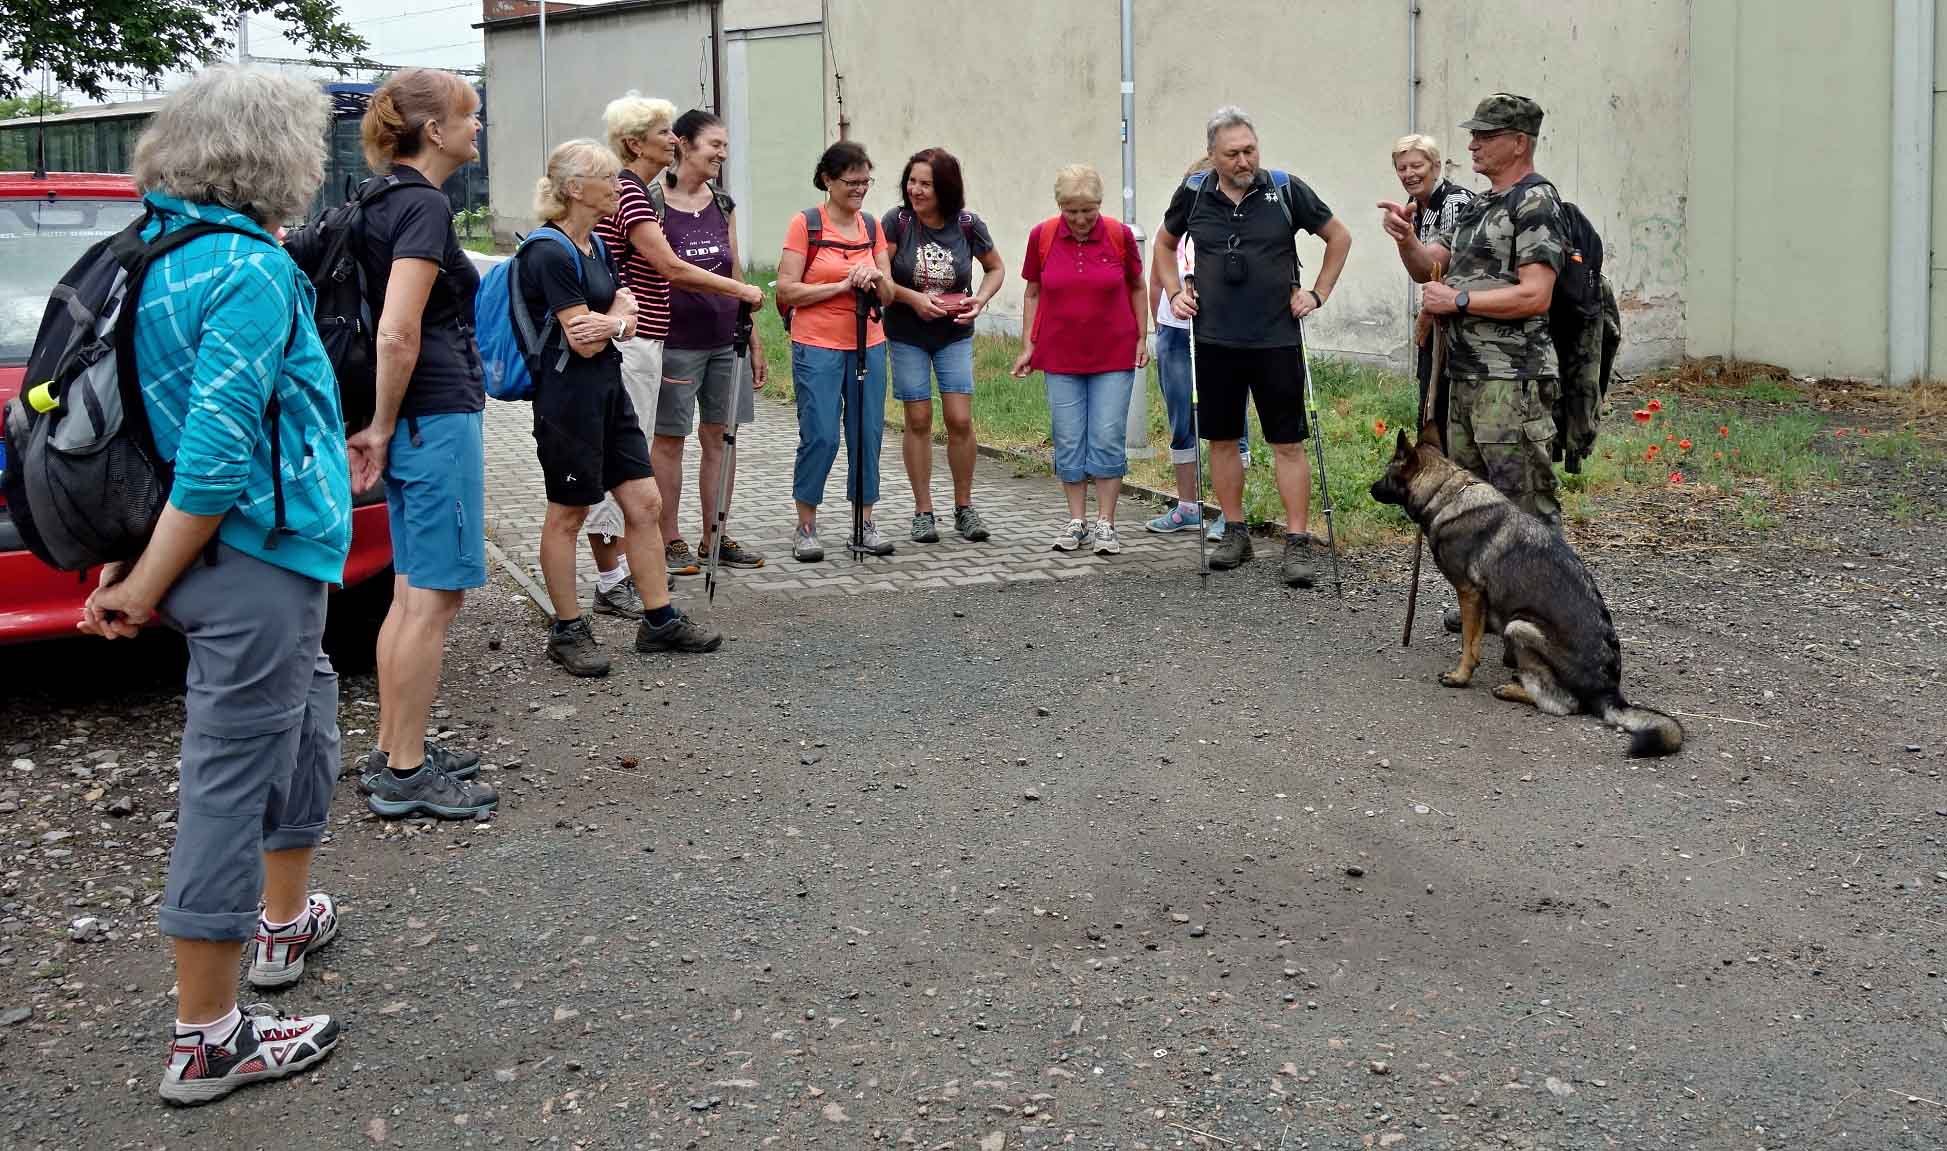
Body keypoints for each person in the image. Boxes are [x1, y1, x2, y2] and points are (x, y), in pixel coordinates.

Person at [80, 66, 346, 1104]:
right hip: (251, 559)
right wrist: (141, 581)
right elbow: (214, 454)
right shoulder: (246, 266)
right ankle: (207, 1036)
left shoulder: (148, 250)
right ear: (276, 154)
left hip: (244, 555)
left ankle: (282, 922)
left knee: (306, 716)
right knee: (230, 774)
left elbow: (137, 416)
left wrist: (129, 556)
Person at [335, 69, 499, 819]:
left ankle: (394, 745)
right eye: (470, 115)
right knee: (434, 597)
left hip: (411, 419)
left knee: (409, 593)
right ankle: (404, 771)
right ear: (434, 130)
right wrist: (380, 422)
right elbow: (397, 331)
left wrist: (382, 422)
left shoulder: (377, 197)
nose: (477, 127)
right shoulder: (425, 205)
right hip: (432, 416)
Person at [525, 139, 721, 674]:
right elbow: (585, 338)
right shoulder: (548, 251)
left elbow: (625, 316)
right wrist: (615, 318)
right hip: (568, 400)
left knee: (645, 503)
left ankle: (659, 621)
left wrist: (612, 319)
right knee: (568, 512)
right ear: (574, 189)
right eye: (608, 179)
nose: (619, 186)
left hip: (609, 392)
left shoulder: (596, 246)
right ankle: (568, 630)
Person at [1155, 105, 1352, 587]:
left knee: (1287, 443)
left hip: (1276, 339)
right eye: (1233, 154)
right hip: (1214, 339)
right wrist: (1175, 293)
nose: (1244, 161)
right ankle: (1235, 532)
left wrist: (1317, 293)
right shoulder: (1194, 194)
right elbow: (1163, 244)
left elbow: (1339, 237)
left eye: (1250, 150)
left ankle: (1297, 542)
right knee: (1222, 440)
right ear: (1212, 155)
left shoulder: (1285, 190)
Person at [1380, 94, 1564, 529]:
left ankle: (1538, 578)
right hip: (1463, 379)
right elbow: (1429, 267)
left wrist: (1458, 300)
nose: (1472, 144)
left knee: (1525, 513)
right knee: (1472, 508)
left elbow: (1536, 295)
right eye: (1473, 135)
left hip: (1511, 382)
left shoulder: (1535, 202)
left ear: (1519, 143)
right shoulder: (1478, 206)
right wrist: (1406, 239)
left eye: (1485, 135)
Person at [1009, 163, 1147, 555]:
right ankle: (1076, 521)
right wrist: (1028, 345)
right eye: (1071, 211)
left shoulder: (1119, 236)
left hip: (1113, 353)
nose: (1081, 219)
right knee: (1068, 438)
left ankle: (1106, 522)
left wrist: (1142, 337)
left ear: (1100, 204)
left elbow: (1137, 286)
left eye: (1088, 210)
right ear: (1060, 206)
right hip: (1060, 355)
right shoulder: (1043, 236)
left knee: (1106, 436)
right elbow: (1033, 292)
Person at [654, 108, 769, 573]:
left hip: (726, 339)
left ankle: (715, 537)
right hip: (675, 342)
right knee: (670, 441)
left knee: (721, 437)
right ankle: (669, 539)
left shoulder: (723, 204)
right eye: (714, 145)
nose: (722, 154)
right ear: (683, 144)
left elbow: (734, 271)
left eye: (725, 146)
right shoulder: (653, 201)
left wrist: (753, 336)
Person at [776, 140, 896, 562]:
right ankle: (806, 525)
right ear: (828, 180)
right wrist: (842, 285)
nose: (860, 189)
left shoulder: (872, 226)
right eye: (851, 182)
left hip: (869, 343)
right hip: (817, 345)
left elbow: (890, 293)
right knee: (821, 435)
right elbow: (787, 289)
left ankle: (864, 521)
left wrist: (875, 279)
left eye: (866, 182)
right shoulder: (806, 224)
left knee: (867, 432)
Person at [882, 147, 1003, 544]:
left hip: (954, 333)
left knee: (960, 419)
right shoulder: (897, 222)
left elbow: (995, 268)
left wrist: (980, 300)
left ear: (945, 188)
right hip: (907, 334)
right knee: (918, 419)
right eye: (911, 181)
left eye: (926, 184)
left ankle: (964, 507)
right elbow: (883, 279)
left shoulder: (967, 224)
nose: (915, 190)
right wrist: (913, 299)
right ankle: (923, 511)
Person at [1145, 158, 1248, 542]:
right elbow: (1156, 280)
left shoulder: (1236, 225)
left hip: (1223, 335)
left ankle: (1229, 513)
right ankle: (1187, 506)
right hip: (1175, 333)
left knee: (1231, 423)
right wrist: (1159, 325)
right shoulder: (1172, 226)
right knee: (1181, 419)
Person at [1390, 133, 1476, 438]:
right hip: (1437, 314)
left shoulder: (1455, 201)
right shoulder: (1413, 206)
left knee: (1446, 408)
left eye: (1417, 166)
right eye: (1402, 168)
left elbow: (1457, 268)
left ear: (1436, 167)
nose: (1409, 174)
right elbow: (1423, 272)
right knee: (1429, 403)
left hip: (1460, 319)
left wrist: (1426, 313)